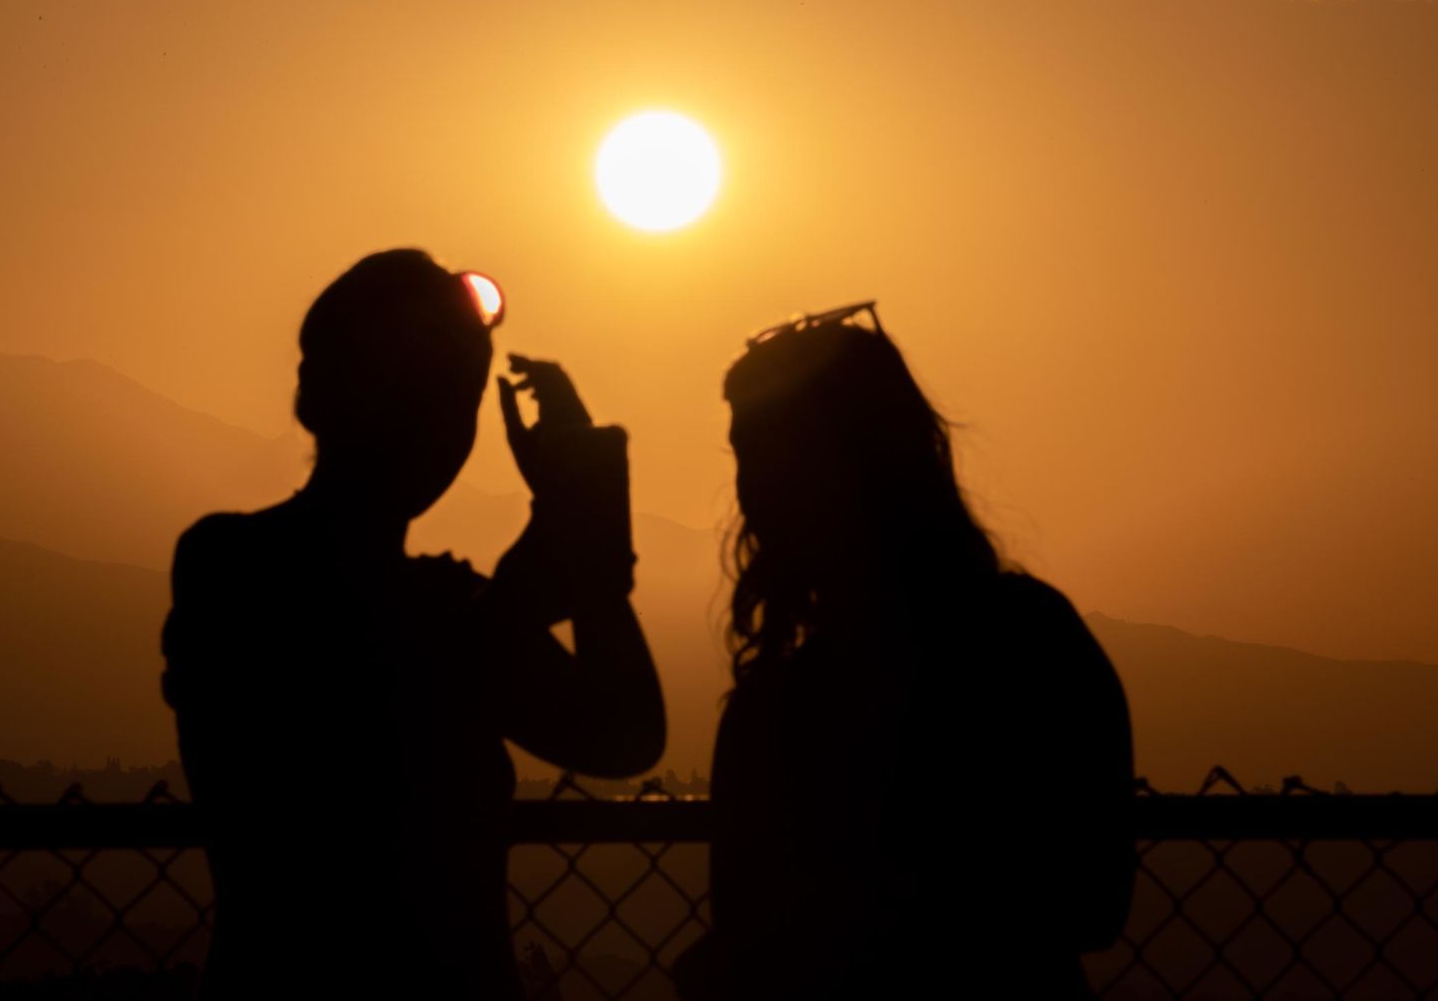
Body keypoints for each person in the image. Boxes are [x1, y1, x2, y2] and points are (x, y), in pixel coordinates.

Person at [160, 249, 665, 999]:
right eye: (419, 390)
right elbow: (613, 729)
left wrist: (578, 533)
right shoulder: (238, 569)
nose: (436, 425)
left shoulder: (437, 604)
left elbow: (621, 734)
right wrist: (576, 523)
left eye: (454, 397)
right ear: (319, 396)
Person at [673, 304, 1134, 999]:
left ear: (862, 457)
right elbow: (1093, 902)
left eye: (774, 454)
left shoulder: (782, 710)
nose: (753, 490)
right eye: (747, 456)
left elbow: (1092, 901)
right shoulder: (1034, 638)